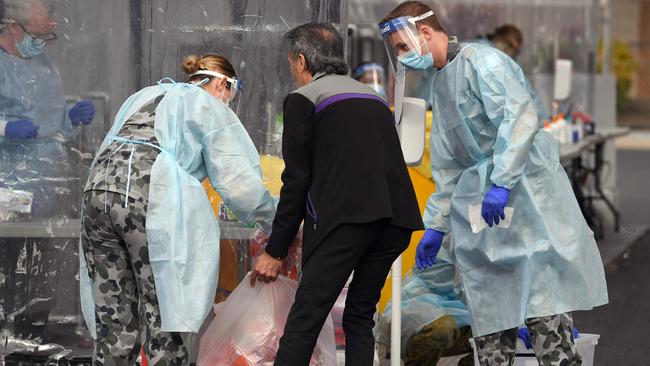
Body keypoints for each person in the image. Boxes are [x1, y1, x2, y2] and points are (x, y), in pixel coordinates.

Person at [379, 2, 608, 365]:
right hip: (484, 217)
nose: (402, 58)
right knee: (488, 308)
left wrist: (501, 182)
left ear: (424, 32)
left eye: (403, 47)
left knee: (541, 304)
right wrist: (436, 226)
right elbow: (448, 165)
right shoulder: (442, 85)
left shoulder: (481, 63)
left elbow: (519, 119)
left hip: (525, 201)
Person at [79, 53, 276, 364]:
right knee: (165, 319)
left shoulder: (147, 94)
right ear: (223, 84)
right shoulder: (207, 105)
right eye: (230, 96)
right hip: (147, 200)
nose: (227, 103)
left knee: (114, 323)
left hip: (96, 196)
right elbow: (238, 183)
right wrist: (275, 219)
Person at [251, 23, 423, 365]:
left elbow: (296, 181)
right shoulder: (372, 98)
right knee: (360, 315)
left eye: (290, 65)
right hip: (396, 222)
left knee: (306, 318)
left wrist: (275, 249)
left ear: (301, 62)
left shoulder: (303, 100)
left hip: (346, 221)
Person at [0, 0, 94, 341]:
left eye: (46, 35)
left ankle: (30, 336)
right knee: (6, 261)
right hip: (6, 186)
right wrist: (4, 128)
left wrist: (69, 119)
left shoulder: (43, 64)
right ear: (14, 27)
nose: (42, 41)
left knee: (39, 264)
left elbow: (49, 126)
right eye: (38, 34)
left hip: (44, 186)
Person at [478, 24, 549, 121]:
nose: (513, 53)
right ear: (501, 40)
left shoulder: (508, 60)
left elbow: (526, 90)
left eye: (516, 51)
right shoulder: (484, 53)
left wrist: (543, 119)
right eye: (511, 47)